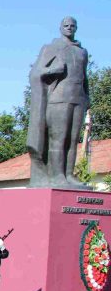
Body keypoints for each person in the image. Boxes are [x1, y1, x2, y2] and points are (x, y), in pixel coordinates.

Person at [27, 16, 90, 188]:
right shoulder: (51, 48)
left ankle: (69, 175)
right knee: (58, 138)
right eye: (66, 25)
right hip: (58, 99)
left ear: (76, 28)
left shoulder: (82, 52)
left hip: (78, 98)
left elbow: (85, 77)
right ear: (60, 28)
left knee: (73, 139)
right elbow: (35, 73)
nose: (69, 27)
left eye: (72, 25)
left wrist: (87, 97)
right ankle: (57, 176)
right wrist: (53, 70)